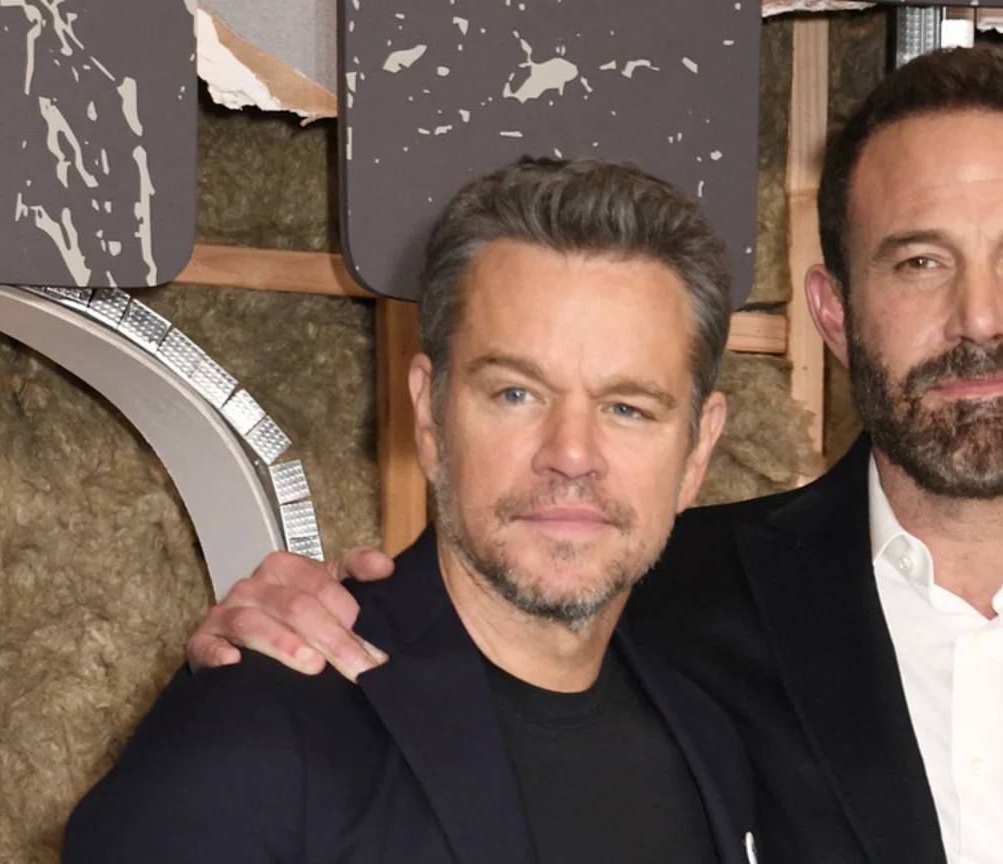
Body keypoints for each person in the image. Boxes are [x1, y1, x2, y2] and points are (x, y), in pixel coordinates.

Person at [183, 46, 1003, 863]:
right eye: (917, 262)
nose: (980, 321)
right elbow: (485, 634)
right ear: (833, 310)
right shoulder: (663, 596)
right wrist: (306, 622)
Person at [64, 158, 762, 864]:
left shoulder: (717, 741)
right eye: (516, 393)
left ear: (698, 449)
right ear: (429, 414)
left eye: (626, 408)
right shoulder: (256, 731)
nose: (572, 454)